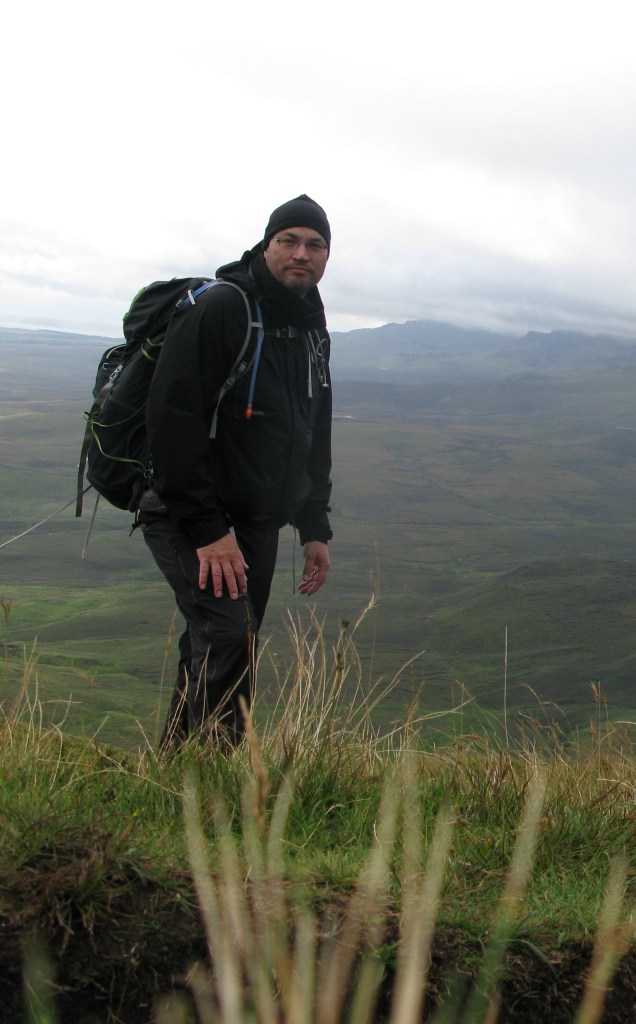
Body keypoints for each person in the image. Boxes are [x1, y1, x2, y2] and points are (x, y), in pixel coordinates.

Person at [139, 195, 333, 750]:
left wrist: (313, 525)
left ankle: (181, 770)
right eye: (289, 241)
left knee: (224, 641)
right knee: (228, 637)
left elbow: (312, 431)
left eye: (315, 245)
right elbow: (171, 420)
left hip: (256, 522)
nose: (302, 253)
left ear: (327, 257)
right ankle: (213, 775)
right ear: (266, 245)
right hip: (190, 513)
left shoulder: (310, 330)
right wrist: (206, 529)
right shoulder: (226, 308)